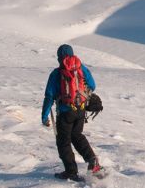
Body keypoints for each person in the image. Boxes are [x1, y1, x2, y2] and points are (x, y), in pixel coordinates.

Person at [42, 44, 101, 180]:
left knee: (63, 141)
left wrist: (45, 116)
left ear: (59, 58)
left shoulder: (56, 73)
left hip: (65, 112)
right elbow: (92, 85)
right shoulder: (81, 68)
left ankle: (71, 171)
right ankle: (93, 162)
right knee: (77, 136)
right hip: (80, 110)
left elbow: (49, 96)